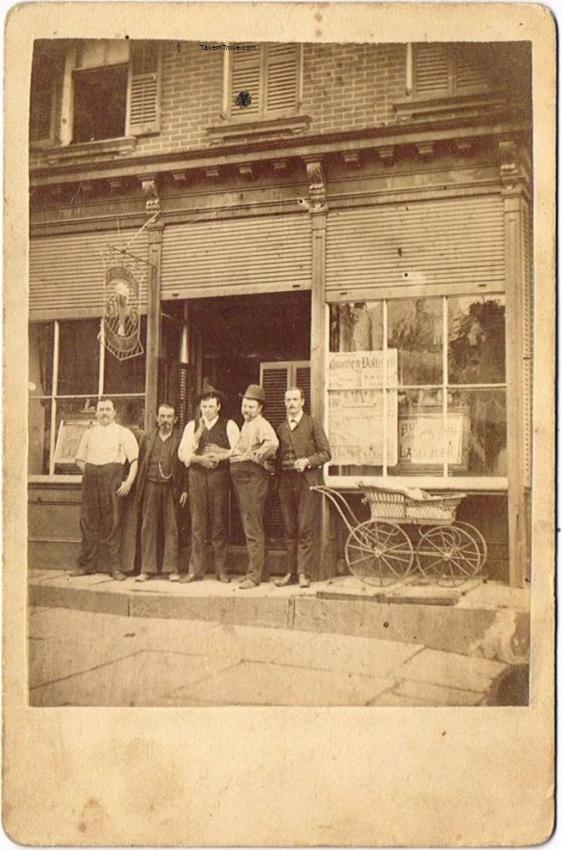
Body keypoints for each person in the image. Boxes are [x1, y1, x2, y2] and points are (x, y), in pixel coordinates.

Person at [71, 398, 139, 581]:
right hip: (92, 478)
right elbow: (79, 459)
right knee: (88, 521)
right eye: (101, 410)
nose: (105, 413)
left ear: (115, 412)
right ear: (96, 413)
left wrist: (129, 482)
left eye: (108, 409)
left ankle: (115, 567)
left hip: (113, 479)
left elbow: (134, 461)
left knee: (113, 522)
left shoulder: (123, 433)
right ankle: (87, 565)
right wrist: (93, 473)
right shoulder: (89, 433)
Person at [178, 385, 240, 583]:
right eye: (204, 406)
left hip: (219, 477)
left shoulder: (229, 425)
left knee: (219, 523)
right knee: (197, 523)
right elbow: (183, 453)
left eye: (211, 406)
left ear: (219, 407)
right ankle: (196, 570)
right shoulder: (192, 426)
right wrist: (199, 459)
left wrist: (220, 454)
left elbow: (238, 451)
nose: (207, 410)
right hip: (196, 476)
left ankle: (221, 570)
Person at [275, 387, 331, 588]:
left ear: (302, 402)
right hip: (286, 484)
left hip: (307, 483)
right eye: (287, 399)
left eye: (295, 399)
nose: (291, 403)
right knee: (289, 529)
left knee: (305, 529)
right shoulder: (281, 428)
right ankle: (290, 573)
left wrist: (308, 460)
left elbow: (326, 453)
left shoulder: (312, 424)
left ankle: (303, 574)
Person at [229, 384, 279, 589]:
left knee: (253, 526)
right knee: (253, 524)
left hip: (253, 479)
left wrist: (255, 456)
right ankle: (262, 572)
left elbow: (273, 443)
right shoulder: (247, 424)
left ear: (260, 408)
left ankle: (254, 576)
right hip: (244, 480)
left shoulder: (262, 424)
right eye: (244, 405)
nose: (246, 410)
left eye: (251, 406)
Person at [132, 403, 187, 582]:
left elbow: (186, 467)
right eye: (162, 416)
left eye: (169, 417)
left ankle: (171, 569)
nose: (165, 421)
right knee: (148, 527)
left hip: (171, 487)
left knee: (171, 527)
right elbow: (139, 463)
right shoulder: (147, 438)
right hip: (150, 486)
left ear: (175, 419)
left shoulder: (179, 438)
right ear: (156, 418)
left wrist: (185, 489)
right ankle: (147, 569)